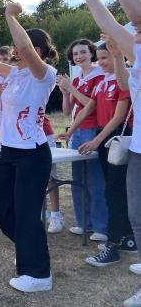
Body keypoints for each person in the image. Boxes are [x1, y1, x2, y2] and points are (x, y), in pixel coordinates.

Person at [70, 0, 141, 306]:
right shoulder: (134, 55)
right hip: (137, 145)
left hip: (122, 140)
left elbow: (132, 17)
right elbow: (113, 28)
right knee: (134, 212)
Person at [0, 4, 58, 292]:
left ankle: (38, 275)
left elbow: (24, 48)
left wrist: (10, 16)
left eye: (20, 46)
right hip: (9, 151)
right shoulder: (13, 74)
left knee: (27, 213)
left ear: (36, 50)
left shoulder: (45, 74)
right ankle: (29, 248)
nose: (15, 51)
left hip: (33, 153)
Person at [58, 42, 133, 266]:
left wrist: (98, 139)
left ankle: (116, 240)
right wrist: (69, 131)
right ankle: (117, 238)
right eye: (99, 58)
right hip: (101, 136)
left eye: (104, 58)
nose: (101, 62)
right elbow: (89, 107)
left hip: (117, 136)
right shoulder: (103, 82)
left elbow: (119, 117)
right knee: (112, 190)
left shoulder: (123, 79)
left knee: (114, 190)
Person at [56, 39, 108, 239]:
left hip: (92, 130)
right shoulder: (77, 79)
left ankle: (101, 227)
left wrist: (72, 88)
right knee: (78, 179)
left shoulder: (99, 75)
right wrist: (65, 92)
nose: (79, 56)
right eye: (75, 54)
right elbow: (67, 110)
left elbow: (92, 105)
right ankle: (83, 222)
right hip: (76, 131)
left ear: (91, 53)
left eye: (83, 52)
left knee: (95, 179)